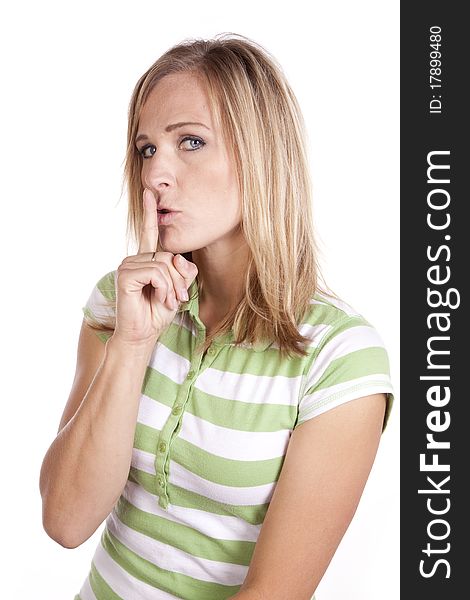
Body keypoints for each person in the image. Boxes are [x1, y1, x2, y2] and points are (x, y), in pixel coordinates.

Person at [39, 33, 395, 600]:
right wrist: (132, 345)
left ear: (261, 154)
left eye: (191, 142)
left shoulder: (339, 361)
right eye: (147, 149)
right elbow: (64, 520)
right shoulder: (120, 302)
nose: (156, 174)